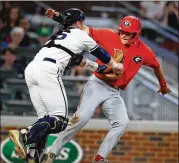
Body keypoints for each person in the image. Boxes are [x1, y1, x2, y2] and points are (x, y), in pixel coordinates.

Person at [41, 8, 171, 163]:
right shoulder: (108, 35)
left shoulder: (144, 51)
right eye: (122, 30)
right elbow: (81, 28)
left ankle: (99, 158)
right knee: (81, 119)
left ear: (136, 34)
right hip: (97, 84)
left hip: (114, 92)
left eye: (128, 32)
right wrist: (58, 17)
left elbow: (156, 66)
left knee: (122, 122)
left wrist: (163, 84)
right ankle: (52, 153)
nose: (123, 34)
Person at [8, 8, 123, 163]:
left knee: (45, 121)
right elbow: (100, 52)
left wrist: (99, 68)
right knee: (60, 120)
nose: (83, 25)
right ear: (78, 22)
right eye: (82, 22)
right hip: (48, 71)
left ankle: (34, 156)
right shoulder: (81, 35)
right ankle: (24, 135)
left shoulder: (58, 36)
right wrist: (114, 65)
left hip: (32, 70)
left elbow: (77, 60)